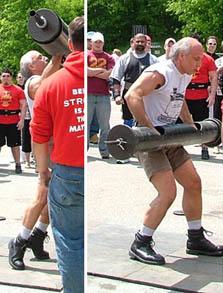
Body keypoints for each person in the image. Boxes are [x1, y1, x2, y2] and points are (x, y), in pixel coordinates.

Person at [124, 37, 223, 265]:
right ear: (181, 56)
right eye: (196, 59)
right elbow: (132, 95)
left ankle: (195, 238)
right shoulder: (160, 72)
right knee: (168, 193)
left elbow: (179, 99)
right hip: (149, 141)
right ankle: (140, 242)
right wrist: (148, 127)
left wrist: (189, 122)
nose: (200, 64)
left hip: (171, 136)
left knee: (193, 183)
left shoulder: (185, 74)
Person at [30, 16, 84, 292]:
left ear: (70, 42)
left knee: (72, 241)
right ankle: (25, 238)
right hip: (81, 170)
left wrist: (43, 172)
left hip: (68, 172)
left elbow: (37, 133)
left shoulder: (51, 85)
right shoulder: (100, 76)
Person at [8, 49, 63, 271]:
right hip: (44, 144)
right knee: (43, 192)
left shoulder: (52, 75)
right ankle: (19, 242)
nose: (44, 58)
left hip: (56, 142)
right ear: (31, 66)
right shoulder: (33, 82)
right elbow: (45, 82)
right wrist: (58, 54)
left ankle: (38, 235)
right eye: (40, 58)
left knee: (54, 195)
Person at [185, 34, 217, 160]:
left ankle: (204, 147)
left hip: (201, 94)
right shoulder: (185, 57)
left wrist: (212, 95)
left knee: (203, 124)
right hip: (186, 94)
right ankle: (175, 147)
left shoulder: (208, 59)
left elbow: (213, 77)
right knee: (179, 123)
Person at [87, 32, 115, 159]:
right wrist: (101, 71)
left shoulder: (109, 57)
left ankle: (104, 150)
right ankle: (84, 150)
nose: (98, 44)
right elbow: (85, 71)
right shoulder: (86, 55)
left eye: (100, 42)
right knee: (85, 124)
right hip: (88, 94)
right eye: (96, 42)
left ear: (103, 43)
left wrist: (92, 73)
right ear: (91, 43)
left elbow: (109, 74)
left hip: (103, 95)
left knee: (105, 125)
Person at [0, 69, 27, 174]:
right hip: (0, 121)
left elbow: (23, 105)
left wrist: (22, 120)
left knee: (15, 145)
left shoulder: (18, 90)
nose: (6, 78)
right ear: (1, 77)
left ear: (11, 77)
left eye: (8, 76)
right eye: (4, 76)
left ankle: (18, 164)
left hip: (13, 120)